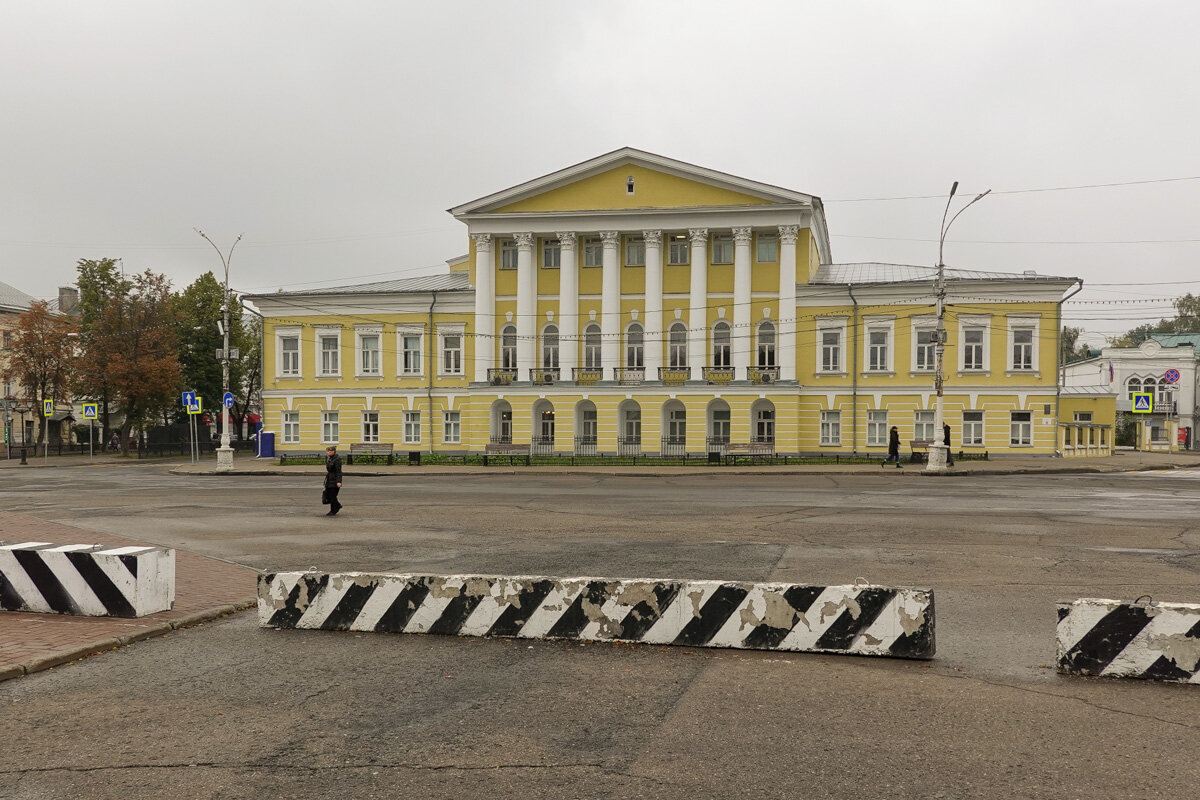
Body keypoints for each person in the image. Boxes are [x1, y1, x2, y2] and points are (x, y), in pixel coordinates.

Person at [323, 445, 343, 516]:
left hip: (334, 480)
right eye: (327, 451)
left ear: (333, 452)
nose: (327, 452)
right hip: (329, 479)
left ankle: (333, 510)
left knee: (332, 495)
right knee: (328, 494)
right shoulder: (330, 459)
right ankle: (337, 505)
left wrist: (339, 481)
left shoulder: (337, 460)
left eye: (329, 451)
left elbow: (338, 471)